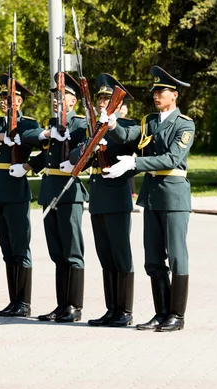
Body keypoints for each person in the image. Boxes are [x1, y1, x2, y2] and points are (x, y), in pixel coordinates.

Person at [102, 65, 194, 332]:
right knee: (153, 258)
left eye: (161, 91)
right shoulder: (149, 121)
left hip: (174, 195)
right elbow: (129, 137)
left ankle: (177, 315)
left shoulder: (184, 123)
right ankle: (161, 312)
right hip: (153, 195)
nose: (156, 96)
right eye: (154, 91)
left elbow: (172, 158)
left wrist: (135, 163)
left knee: (176, 256)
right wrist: (113, 124)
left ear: (174, 95)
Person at [20, 73, 88, 323]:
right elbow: (35, 145)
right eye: (55, 96)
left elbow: (86, 147)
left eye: (62, 96)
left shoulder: (80, 124)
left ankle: (74, 306)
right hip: (50, 192)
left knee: (72, 252)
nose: (57, 100)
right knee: (57, 253)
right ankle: (62, 305)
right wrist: (32, 161)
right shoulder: (50, 124)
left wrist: (71, 143)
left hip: (69, 192)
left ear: (73, 101)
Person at [70, 73, 136, 327]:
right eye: (100, 98)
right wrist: (92, 143)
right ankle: (112, 309)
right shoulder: (94, 127)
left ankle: (125, 310)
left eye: (107, 98)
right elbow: (78, 156)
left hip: (117, 197)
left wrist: (111, 127)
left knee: (121, 255)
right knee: (105, 256)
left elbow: (128, 142)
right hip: (97, 197)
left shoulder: (127, 125)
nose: (101, 102)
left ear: (118, 104)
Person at [0, 73, 39, 318]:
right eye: (2, 97)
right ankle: (14, 301)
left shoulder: (27, 124)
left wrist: (27, 159)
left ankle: (24, 302)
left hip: (15, 188)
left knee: (20, 247)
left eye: (9, 97)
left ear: (19, 101)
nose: (4, 101)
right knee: (7, 249)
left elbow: (39, 138)